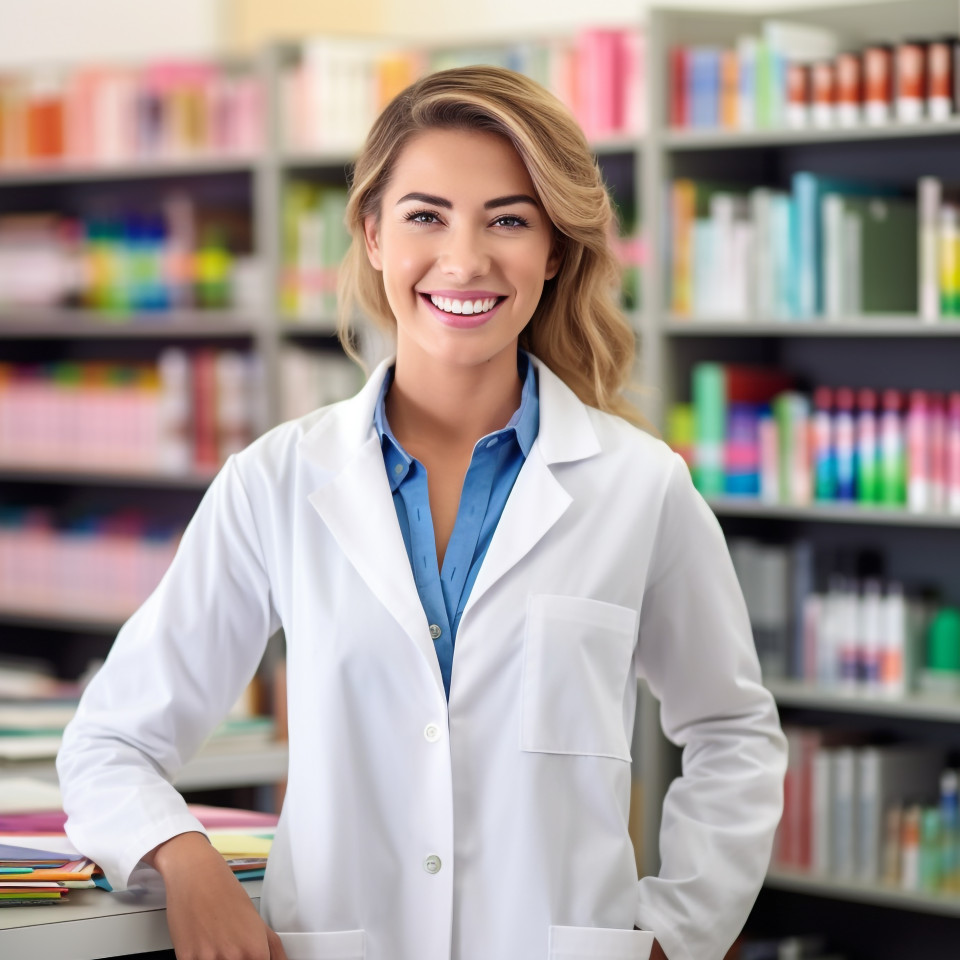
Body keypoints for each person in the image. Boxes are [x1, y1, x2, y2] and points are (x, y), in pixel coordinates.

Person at [57, 66, 787, 960]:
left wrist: (679, 935)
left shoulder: (641, 487)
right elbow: (110, 741)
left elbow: (732, 733)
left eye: (508, 220)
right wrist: (186, 860)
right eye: (426, 216)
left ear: (555, 250)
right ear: (372, 234)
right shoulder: (275, 481)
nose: (466, 260)